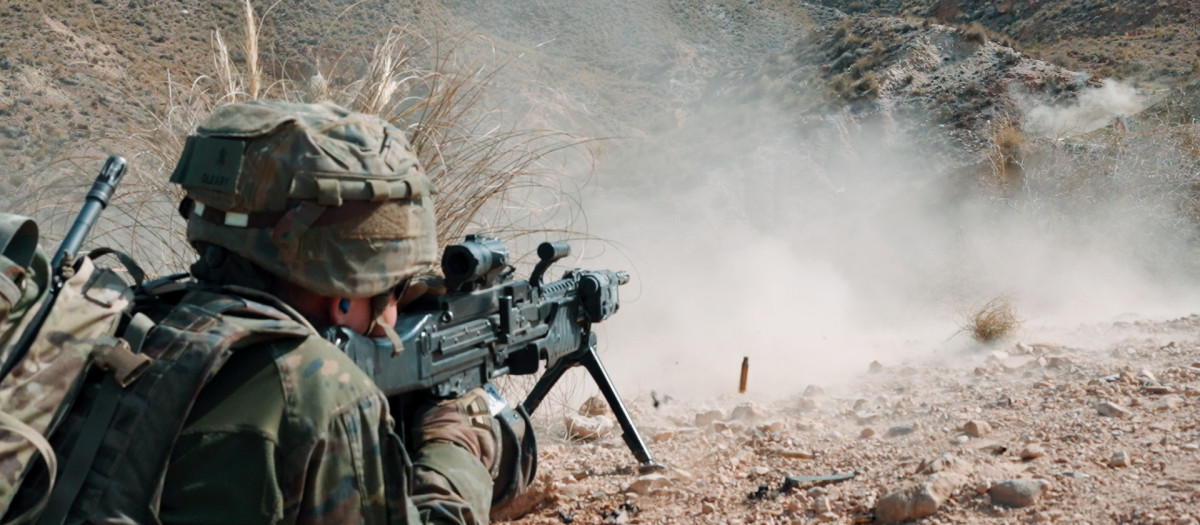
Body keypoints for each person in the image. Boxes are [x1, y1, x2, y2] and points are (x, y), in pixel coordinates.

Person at [157, 100, 500, 524]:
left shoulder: (131, 328)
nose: (396, 309)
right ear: (344, 297)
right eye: (396, 288)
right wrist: (456, 446)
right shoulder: (320, 400)